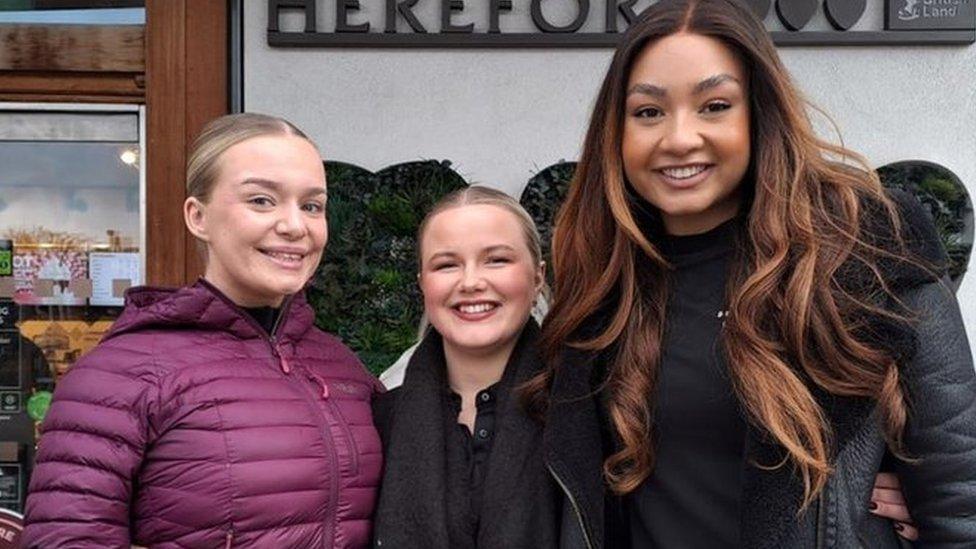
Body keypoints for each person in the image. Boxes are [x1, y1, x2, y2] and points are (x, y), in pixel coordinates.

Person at [526, 1, 976, 547]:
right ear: (615, 132)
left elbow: (959, 497)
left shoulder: (869, 255)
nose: (678, 138)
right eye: (648, 112)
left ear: (758, 114)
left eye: (714, 106)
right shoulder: (602, 280)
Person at [23, 113, 384, 548]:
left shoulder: (344, 368)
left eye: (312, 205)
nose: (294, 226)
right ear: (198, 217)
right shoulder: (120, 375)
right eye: (261, 201)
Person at [371, 186, 559, 548]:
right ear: (423, 284)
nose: (471, 282)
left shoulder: (587, 405)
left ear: (537, 277)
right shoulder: (378, 420)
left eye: (497, 260)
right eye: (446, 265)